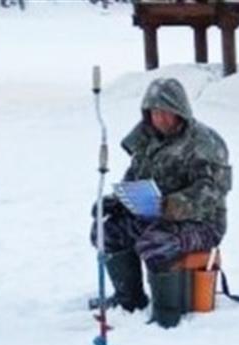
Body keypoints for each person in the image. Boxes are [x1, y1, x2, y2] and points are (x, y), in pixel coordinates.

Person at [92, 77, 231, 328]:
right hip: (152, 214)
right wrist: (117, 201)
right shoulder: (146, 140)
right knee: (106, 231)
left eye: (167, 112)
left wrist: (172, 205)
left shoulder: (205, 143)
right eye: (155, 113)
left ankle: (167, 312)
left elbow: (213, 192)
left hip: (202, 223)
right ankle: (129, 300)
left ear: (180, 111)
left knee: (155, 242)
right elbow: (134, 178)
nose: (160, 119)